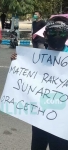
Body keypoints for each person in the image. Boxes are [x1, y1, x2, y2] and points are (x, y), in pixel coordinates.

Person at [11, 16, 68, 150]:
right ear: (46, 35)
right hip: (40, 116)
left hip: (63, 121)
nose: (57, 36)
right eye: (53, 32)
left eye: (62, 32)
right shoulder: (36, 57)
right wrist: (17, 62)